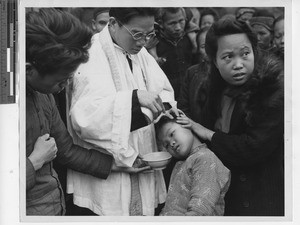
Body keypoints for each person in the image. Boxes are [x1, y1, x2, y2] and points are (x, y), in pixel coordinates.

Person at [26, 8, 150, 216]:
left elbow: (66, 151)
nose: (65, 87)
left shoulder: (43, 95)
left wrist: (118, 165)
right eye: (60, 80)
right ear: (29, 69)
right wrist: (34, 161)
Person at [67, 8, 177, 216]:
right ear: (114, 23)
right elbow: (85, 117)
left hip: (142, 159)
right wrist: (135, 98)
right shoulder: (91, 53)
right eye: (136, 34)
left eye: (149, 34)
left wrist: (163, 110)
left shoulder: (141, 53)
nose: (143, 42)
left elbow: (163, 91)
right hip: (107, 174)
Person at [175, 17, 284, 216]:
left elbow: (252, 148)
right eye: (228, 57)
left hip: (260, 197)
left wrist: (208, 134)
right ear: (214, 61)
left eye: (245, 54)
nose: (238, 64)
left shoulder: (271, 91)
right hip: (225, 195)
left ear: (254, 51)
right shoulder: (210, 90)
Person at [155, 115, 230, 216]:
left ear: (187, 124)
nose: (171, 143)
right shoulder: (181, 164)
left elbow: (200, 210)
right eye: (167, 145)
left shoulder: (205, 158)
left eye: (172, 134)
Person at [153, 7, 195, 99]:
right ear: (161, 24)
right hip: (167, 97)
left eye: (181, 21)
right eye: (172, 23)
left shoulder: (191, 39)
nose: (178, 27)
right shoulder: (154, 44)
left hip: (191, 94)